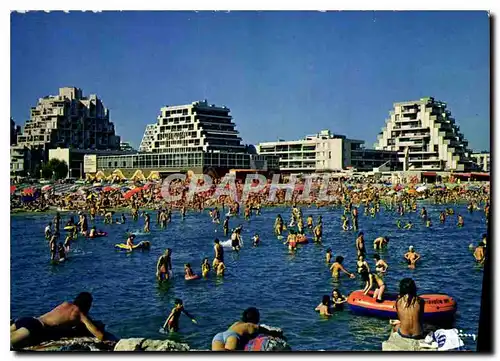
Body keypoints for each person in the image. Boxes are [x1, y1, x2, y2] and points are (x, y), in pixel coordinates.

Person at [10, 292, 104, 349]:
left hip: (28, 319)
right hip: (35, 326)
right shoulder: (80, 315)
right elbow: (99, 335)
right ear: (87, 305)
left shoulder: (65, 304)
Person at [211, 307, 282, 351]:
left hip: (219, 335)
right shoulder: (251, 325)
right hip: (232, 336)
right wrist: (277, 333)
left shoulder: (237, 323)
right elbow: (267, 331)